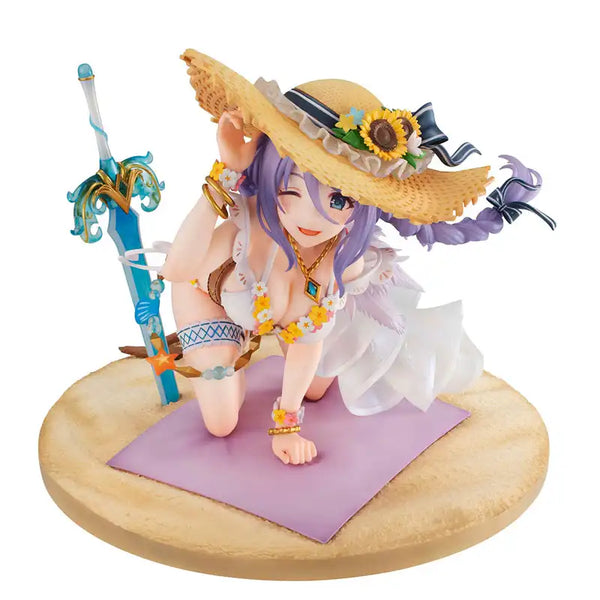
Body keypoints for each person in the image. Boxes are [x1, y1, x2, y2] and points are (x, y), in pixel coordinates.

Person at [141, 50, 553, 466]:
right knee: (222, 422)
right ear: (268, 174)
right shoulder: (248, 229)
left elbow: (307, 345)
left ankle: (250, 345)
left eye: (339, 200)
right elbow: (177, 269)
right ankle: (230, 355)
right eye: (290, 188)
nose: (311, 219)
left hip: (279, 315)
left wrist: (287, 425)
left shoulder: (341, 258)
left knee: (316, 387)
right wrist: (225, 172)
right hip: (208, 297)